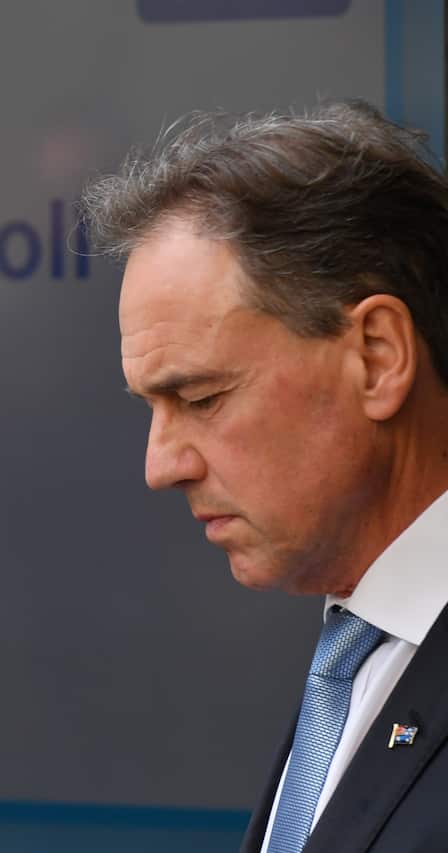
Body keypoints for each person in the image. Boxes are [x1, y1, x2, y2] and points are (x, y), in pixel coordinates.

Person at [80, 100, 448, 853]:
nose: (160, 467)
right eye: (152, 407)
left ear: (377, 357)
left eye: (201, 398)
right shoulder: (355, 653)